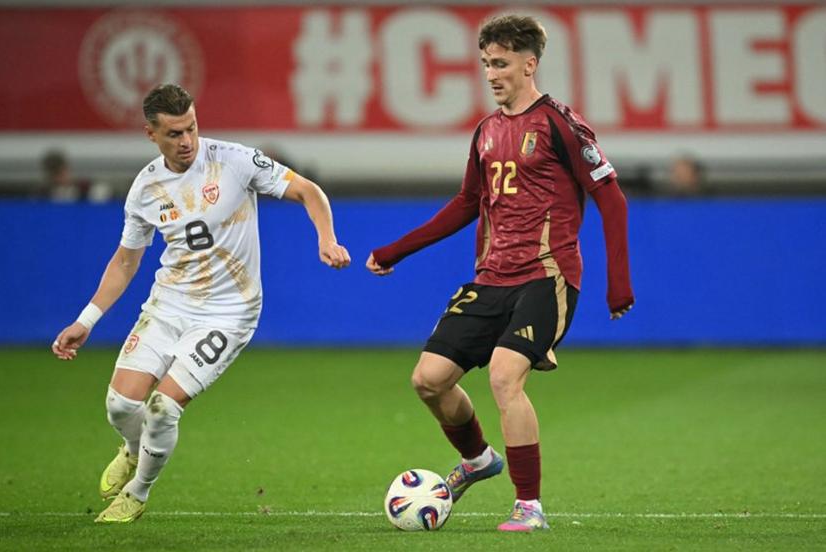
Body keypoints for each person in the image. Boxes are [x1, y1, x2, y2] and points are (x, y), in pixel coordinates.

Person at [367, 15, 634, 532]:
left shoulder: (560, 124)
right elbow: (468, 202)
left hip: (547, 276)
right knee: (428, 381)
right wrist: (398, 250)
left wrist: (618, 282)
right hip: (491, 277)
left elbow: (611, 197)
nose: (491, 74)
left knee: (504, 376)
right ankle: (476, 460)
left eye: (502, 63)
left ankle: (529, 505)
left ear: (529, 64)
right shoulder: (486, 132)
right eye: (487, 63)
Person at [51, 83, 351, 523]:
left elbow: (309, 191)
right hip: (169, 304)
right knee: (120, 406)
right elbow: (125, 262)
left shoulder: (234, 161)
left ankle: (137, 492)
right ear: (151, 134)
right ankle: (133, 449)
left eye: (191, 127)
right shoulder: (146, 188)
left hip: (229, 313)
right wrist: (87, 320)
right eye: (174, 133)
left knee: (162, 408)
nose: (187, 140)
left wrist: (326, 238)